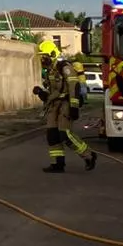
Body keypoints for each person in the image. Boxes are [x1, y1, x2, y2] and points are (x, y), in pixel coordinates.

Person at [33, 42, 97, 173]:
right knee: (52, 135)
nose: (42, 59)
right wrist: (41, 92)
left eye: (44, 56)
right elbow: (52, 92)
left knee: (65, 135)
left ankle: (89, 155)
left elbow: (74, 86)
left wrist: (74, 107)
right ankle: (58, 164)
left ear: (52, 54)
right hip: (54, 106)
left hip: (65, 104)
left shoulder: (65, 67)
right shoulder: (51, 71)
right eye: (41, 57)